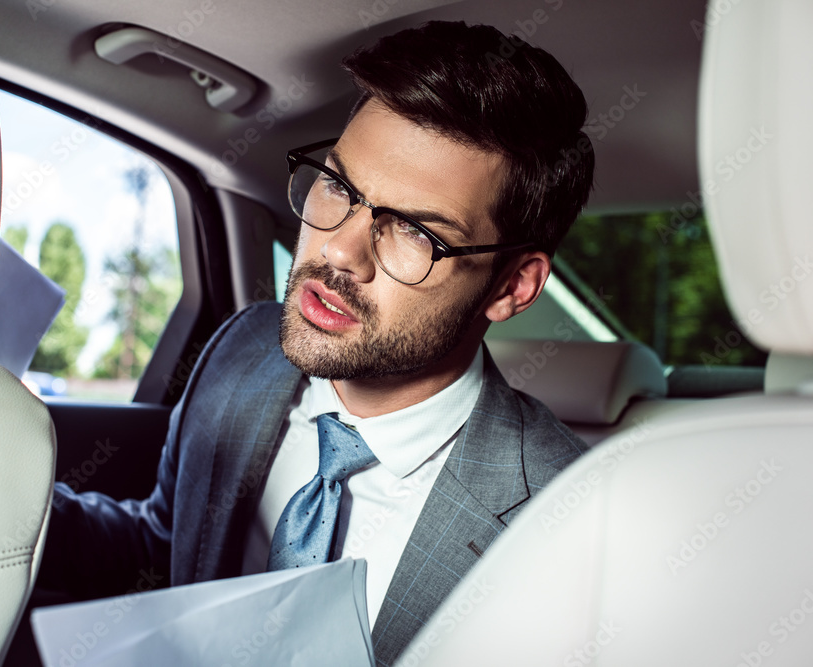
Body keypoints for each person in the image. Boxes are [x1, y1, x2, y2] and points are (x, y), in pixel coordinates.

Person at [38, 20, 594, 664]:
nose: (337, 249)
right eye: (339, 186)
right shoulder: (243, 351)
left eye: (414, 232)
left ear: (513, 287)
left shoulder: (570, 515)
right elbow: (165, 551)